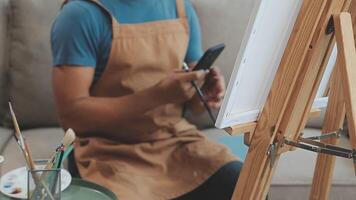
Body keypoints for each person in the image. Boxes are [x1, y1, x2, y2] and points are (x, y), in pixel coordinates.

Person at [51, 0, 243, 199]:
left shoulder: (181, 8)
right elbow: (71, 115)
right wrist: (156, 96)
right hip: (105, 152)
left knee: (244, 183)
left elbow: (195, 104)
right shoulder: (80, 15)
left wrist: (205, 89)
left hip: (173, 141)